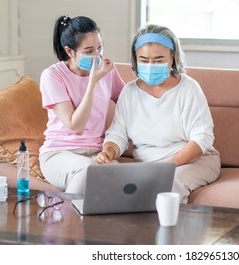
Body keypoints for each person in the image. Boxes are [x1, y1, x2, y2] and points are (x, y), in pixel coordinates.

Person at [97, 24, 221, 203]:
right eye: (144, 60)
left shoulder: (188, 88)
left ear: (172, 59)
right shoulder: (129, 92)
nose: (150, 65)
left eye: (158, 60)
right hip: (148, 166)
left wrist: (166, 167)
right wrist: (108, 151)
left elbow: (202, 137)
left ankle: (168, 231)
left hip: (193, 161)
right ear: (135, 59)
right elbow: (118, 134)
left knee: (167, 186)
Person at [39, 15, 125, 194]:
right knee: (88, 170)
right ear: (70, 52)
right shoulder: (52, 76)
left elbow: (129, 102)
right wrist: (93, 82)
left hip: (96, 152)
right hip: (59, 152)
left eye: (99, 48)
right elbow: (75, 126)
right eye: (89, 51)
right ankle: (67, 219)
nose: (97, 56)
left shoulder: (107, 71)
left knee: (118, 175)